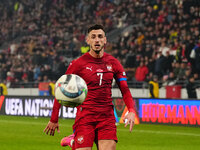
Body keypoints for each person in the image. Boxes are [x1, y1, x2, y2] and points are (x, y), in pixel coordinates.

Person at [44, 24, 135, 150]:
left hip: (106, 117)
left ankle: (73, 141)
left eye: (100, 36)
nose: (97, 39)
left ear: (105, 40)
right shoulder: (78, 63)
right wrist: (54, 119)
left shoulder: (113, 63)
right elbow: (61, 89)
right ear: (88, 40)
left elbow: (124, 89)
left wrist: (131, 110)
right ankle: (73, 142)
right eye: (93, 37)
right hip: (85, 116)